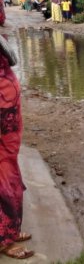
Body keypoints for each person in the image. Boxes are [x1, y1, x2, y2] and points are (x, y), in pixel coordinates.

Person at [0, 35, 34, 260]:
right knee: (3, 181)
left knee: (8, 173)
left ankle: (9, 232)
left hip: (7, 128)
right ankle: (3, 239)